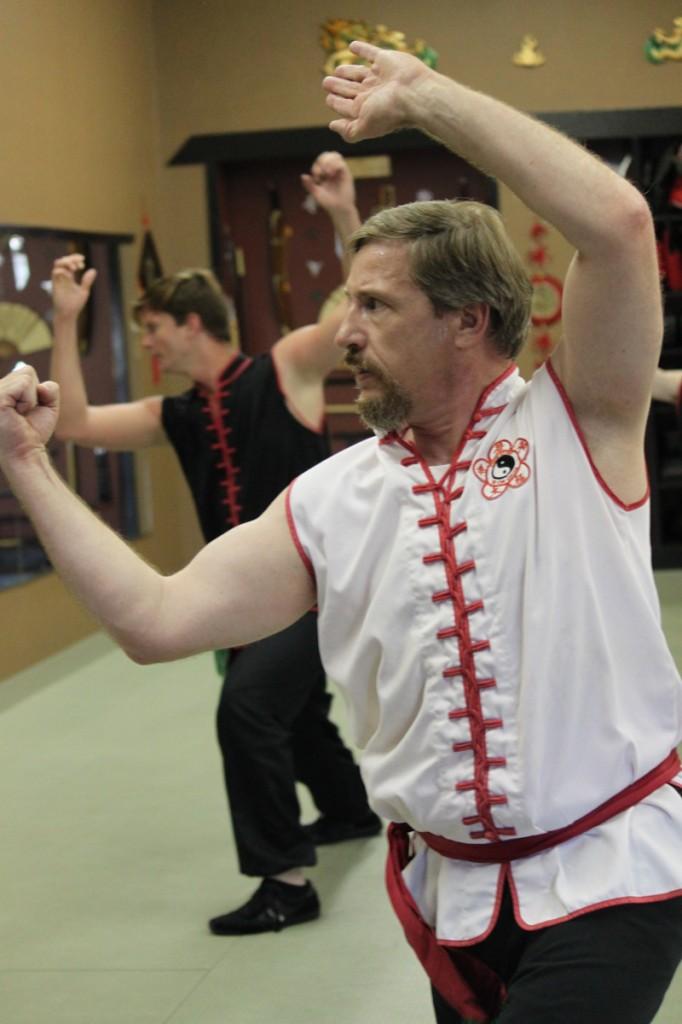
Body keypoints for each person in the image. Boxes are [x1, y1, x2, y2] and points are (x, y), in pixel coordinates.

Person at [2, 40, 681, 1024]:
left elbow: (617, 226)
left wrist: (430, 99)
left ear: (469, 321)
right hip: (453, 903)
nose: (347, 330)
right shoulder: (334, 497)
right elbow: (154, 618)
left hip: (614, 874)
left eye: (374, 304)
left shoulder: (577, 424)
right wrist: (26, 464)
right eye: (346, 302)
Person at [47, 150, 380, 937]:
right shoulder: (179, 414)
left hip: (314, 584)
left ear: (192, 323)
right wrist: (63, 318)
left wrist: (342, 212)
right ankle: (351, 812)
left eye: (155, 331)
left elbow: (358, 311)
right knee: (295, 717)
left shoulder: (286, 369)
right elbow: (72, 425)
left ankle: (286, 881)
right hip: (242, 600)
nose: (151, 345)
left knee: (247, 711)